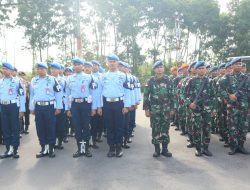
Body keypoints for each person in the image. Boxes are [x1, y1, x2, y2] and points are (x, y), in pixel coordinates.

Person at [98, 54, 130, 158]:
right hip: (107, 104)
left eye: (114, 61)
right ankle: (111, 147)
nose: (112, 63)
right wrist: (99, 106)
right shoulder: (103, 76)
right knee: (109, 126)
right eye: (110, 61)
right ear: (107, 63)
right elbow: (100, 92)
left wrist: (126, 106)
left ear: (117, 63)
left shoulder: (123, 75)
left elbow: (127, 92)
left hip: (119, 104)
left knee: (119, 126)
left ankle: (119, 147)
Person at [30, 63, 63, 158]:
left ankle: (51, 148)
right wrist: (31, 107)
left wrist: (59, 107)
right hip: (38, 107)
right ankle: (43, 148)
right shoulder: (34, 80)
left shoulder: (53, 79)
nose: (40, 70)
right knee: (40, 128)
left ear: (46, 69)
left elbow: (59, 93)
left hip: (49, 107)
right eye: (38, 69)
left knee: (50, 127)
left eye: (42, 69)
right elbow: (32, 94)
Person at [143, 60, 175, 158]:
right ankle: (157, 149)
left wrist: (173, 108)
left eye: (161, 67)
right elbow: (146, 95)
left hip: (166, 110)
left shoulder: (169, 80)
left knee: (165, 129)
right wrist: (146, 109)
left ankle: (165, 149)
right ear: (154, 69)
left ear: (163, 68)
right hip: (154, 110)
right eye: (157, 67)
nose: (159, 69)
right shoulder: (150, 81)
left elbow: (173, 95)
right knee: (155, 129)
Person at [218, 58, 250, 155]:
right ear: (231, 66)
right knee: (232, 127)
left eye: (240, 64)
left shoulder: (247, 78)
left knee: (243, 127)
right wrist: (229, 95)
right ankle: (233, 147)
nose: (239, 66)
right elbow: (219, 90)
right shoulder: (226, 78)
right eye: (236, 64)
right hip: (232, 107)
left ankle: (241, 145)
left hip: (244, 107)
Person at [185, 61, 213, 157]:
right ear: (196, 70)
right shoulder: (191, 81)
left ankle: (205, 148)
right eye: (199, 68)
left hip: (207, 109)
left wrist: (213, 109)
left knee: (207, 129)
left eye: (203, 68)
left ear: (206, 69)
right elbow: (185, 95)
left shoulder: (210, 81)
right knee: (196, 129)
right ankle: (198, 148)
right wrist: (190, 104)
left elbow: (214, 95)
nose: (201, 70)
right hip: (196, 109)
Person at [0, 62, 25, 159]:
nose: (4, 70)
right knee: (5, 128)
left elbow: (22, 96)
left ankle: (15, 149)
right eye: (3, 68)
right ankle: (8, 149)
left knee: (14, 128)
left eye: (6, 69)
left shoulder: (17, 81)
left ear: (10, 70)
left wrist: (22, 109)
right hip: (3, 106)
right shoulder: (0, 81)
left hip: (13, 106)